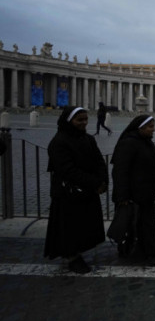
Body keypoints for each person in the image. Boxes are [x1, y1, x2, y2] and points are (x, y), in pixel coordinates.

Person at [44, 106, 107, 274]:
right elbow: (68, 171)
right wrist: (94, 182)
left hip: (86, 191)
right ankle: (72, 257)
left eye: (86, 119)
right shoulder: (58, 142)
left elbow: (100, 161)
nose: (84, 123)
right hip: (68, 193)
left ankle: (79, 250)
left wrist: (103, 180)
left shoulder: (88, 139)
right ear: (69, 121)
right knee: (69, 227)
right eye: (79, 120)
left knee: (83, 224)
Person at [110, 115, 155, 266]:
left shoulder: (146, 142)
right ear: (141, 128)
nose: (154, 129)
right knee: (134, 224)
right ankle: (137, 252)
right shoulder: (128, 143)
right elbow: (120, 171)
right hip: (132, 193)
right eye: (150, 126)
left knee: (146, 224)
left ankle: (148, 251)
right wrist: (122, 195)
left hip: (146, 192)